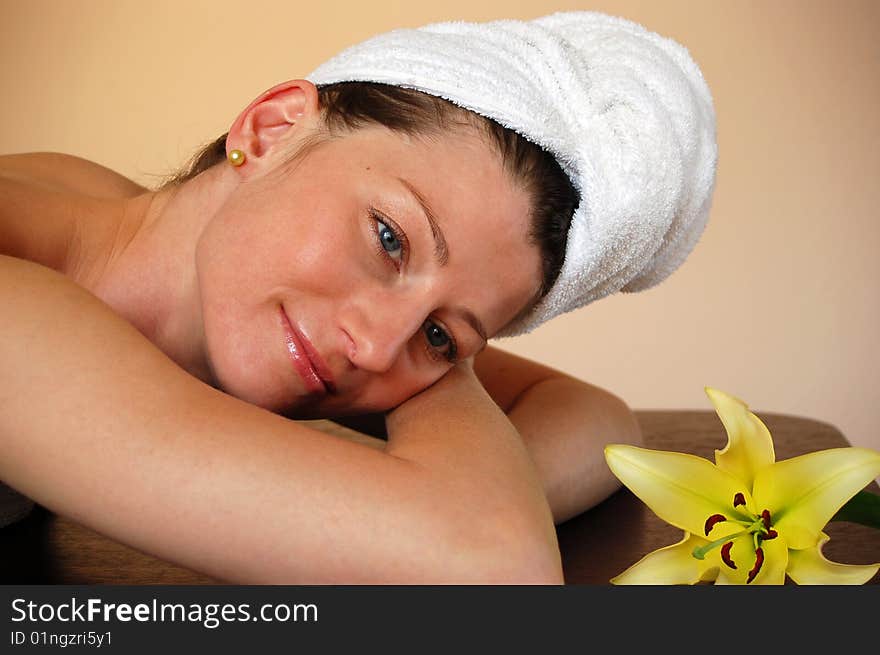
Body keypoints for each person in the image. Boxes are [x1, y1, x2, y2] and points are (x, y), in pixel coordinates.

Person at [0, 11, 717, 583]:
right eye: (388, 238)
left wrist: (443, 369)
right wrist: (427, 494)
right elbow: (493, 561)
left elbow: (600, 421)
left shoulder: (120, 229)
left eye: (441, 335)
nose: (376, 347)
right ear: (272, 128)